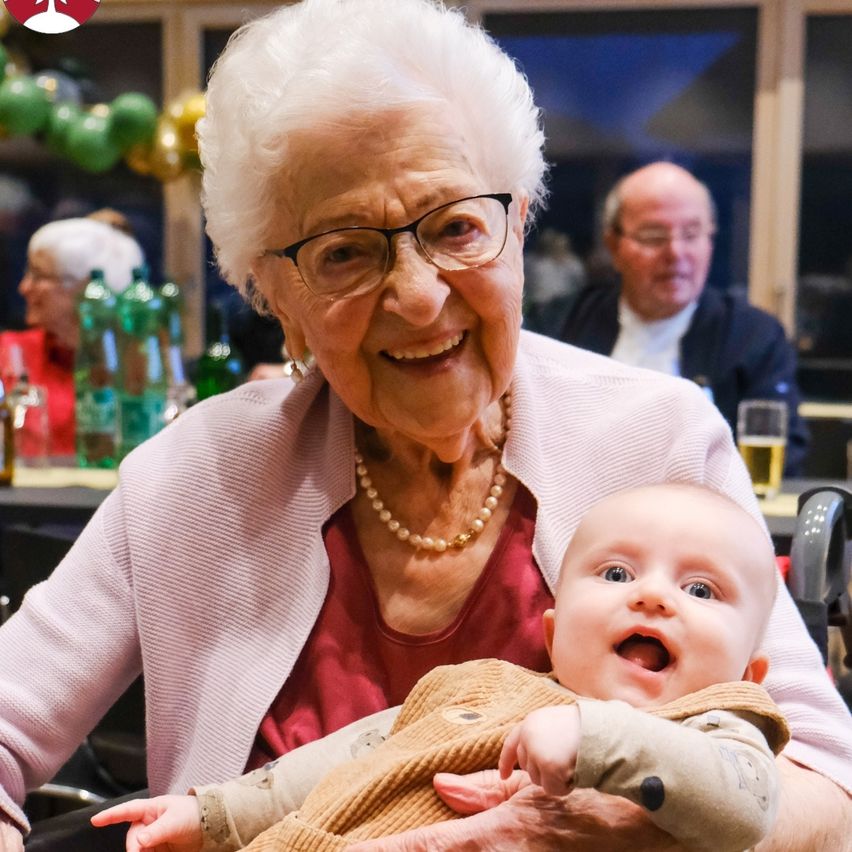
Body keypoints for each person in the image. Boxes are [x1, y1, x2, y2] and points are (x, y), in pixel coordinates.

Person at [0, 2, 849, 850]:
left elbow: (830, 796)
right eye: (343, 251)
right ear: (277, 297)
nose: (416, 296)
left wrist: (622, 824)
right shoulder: (193, 478)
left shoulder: (657, 440)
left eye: (455, 228)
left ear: (517, 226)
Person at [93, 483, 789, 852]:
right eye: (615, 572)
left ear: (749, 674)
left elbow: (744, 809)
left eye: (701, 591)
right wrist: (213, 813)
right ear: (550, 632)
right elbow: (351, 759)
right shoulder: (481, 687)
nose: (652, 595)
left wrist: (600, 738)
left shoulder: (720, 731)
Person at [560, 162, 810, 477]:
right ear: (614, 246)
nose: (676, 252)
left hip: (708, 519)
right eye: (654, 236)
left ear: (710, 242)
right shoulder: (563, 324)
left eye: (691, 234)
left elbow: (785, 456)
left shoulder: (753, 337)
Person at [0, 215, 143, 457]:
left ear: (87, 288)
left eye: (38, 275)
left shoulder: (139, 367)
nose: (23, 287)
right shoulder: (9, 353)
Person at [523, 228, 586, 338]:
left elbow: (581, 285)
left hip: (563, 307)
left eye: (562, 246)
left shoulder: (572, 264)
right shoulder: (533, 262)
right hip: (536, 307)